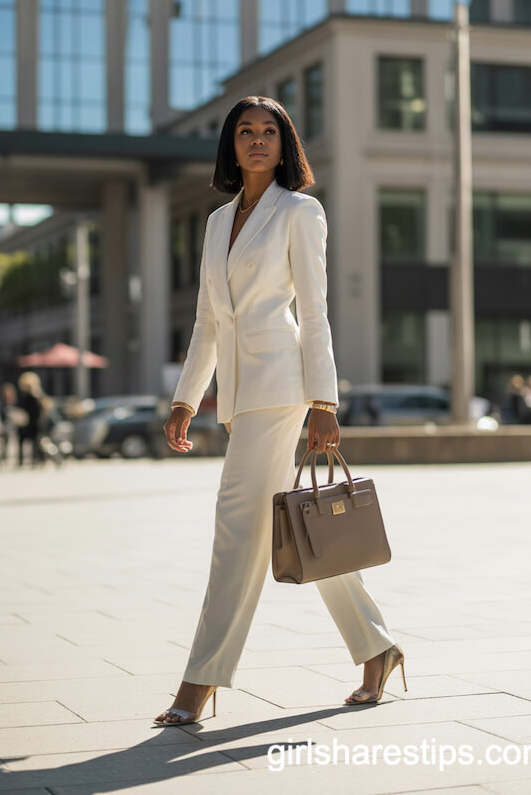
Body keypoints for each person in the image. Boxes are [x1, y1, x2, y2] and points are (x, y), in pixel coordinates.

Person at [154, 96, 406, 726]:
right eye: (246, 132)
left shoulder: (300, 211)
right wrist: (188, 396)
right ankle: (378, 649)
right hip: (241, 395)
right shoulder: (216, 223)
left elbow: (316, 311)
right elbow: (209, 320)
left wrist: (326, 399)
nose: (258, 141)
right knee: (294, 529)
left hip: (284, 386)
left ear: (284, 143)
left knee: (235, 527)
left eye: (269, 132)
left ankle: (198, 683)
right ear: (231, 145)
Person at [16, 372, 45, 466]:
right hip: (34, 426)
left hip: (32, 426)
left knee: (24, 436)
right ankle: (37, 458)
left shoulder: (29, 397)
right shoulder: (38, 397)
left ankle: (24, 460)